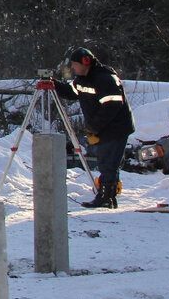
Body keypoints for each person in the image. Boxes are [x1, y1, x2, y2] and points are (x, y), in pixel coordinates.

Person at [46, 46, 135, 209]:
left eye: (75, 64)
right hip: (103, 127)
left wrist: (94, 126)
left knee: (109, 163)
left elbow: (112, 106)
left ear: (85, 62)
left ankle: (106, 197)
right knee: (105, 162)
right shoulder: (81, 79)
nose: (72, 67)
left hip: (116, 128)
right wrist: (54, 85)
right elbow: (72, 92)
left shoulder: (105, 78)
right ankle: (108, 196)